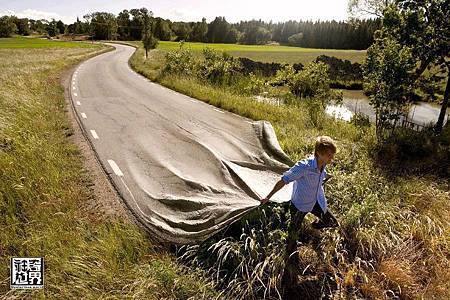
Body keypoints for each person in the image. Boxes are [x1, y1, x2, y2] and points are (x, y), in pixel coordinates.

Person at [260, 135, 339, 256]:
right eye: (329, 155)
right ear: (318, 153)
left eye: (332, 155)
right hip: (299, 206)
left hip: (315, 202)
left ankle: (313, 227)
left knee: (332, 223)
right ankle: (290, 260)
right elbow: (284, 180)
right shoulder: (304, 167)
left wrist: (326, 176)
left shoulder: (323, 164)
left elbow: (320, 175)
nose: (332, 158)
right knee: (292, 238)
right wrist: (268, 196)